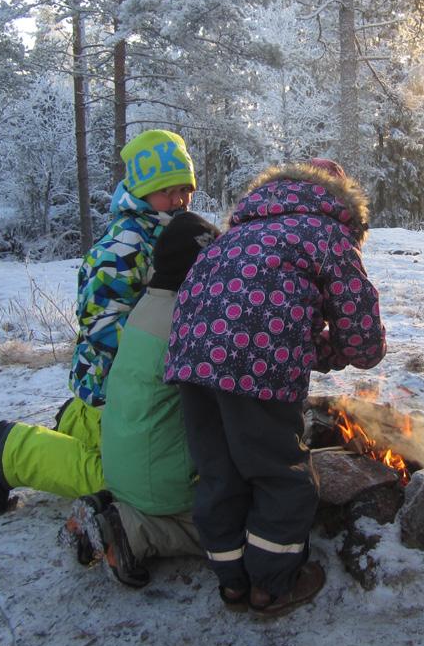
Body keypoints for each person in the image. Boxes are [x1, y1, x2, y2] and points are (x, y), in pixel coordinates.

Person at [165, 158, 387, 615]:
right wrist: (341, 351)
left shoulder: (237, 233)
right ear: (341, 200)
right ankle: (272, 584)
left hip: (190, 360)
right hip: (257, 364)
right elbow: (363, 339)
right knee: (280, 474)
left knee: (218, 473)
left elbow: (263, 311)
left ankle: (231, 583)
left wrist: (311, 349)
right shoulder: (327, 231)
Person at [0, 129, 197, 514]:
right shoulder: (126, 242)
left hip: (135, 372)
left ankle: (77, 421)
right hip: (115, 370)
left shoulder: (167, 231)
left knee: (127, 437)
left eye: (186, 189)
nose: (179, 200)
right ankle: (16, 451)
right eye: (169, 191)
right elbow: (100, 317)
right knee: (129, 469)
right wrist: (136, 365)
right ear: (144, 190)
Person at [61, 211, 220, 588]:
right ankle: (133, 532)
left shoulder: (145, 307)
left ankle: (114, 510)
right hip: (161, 480)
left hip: (122, 466)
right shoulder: (189, 323)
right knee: (230, 529)